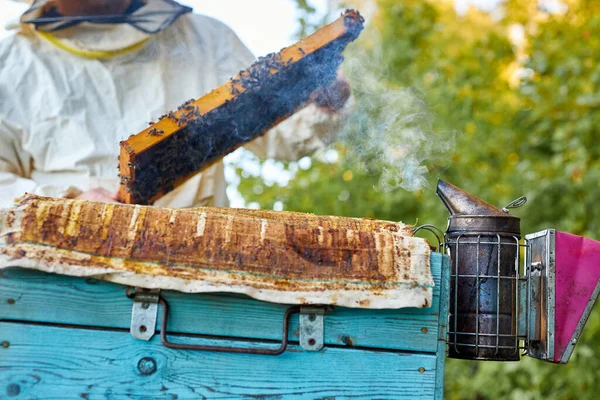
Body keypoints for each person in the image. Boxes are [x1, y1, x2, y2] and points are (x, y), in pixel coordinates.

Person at [0, 0, 351, 208]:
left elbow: (280, 137)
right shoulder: (11, 61)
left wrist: (319, 102)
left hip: (193, 267)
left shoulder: (205, 39)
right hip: (60, 280)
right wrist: (66, 202)